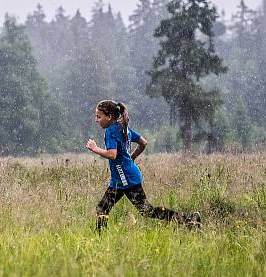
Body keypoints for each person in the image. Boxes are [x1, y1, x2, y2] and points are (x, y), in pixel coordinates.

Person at [85, 100, 202, 233]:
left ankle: (100, 238)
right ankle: (190, 219)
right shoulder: (123, 127)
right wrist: (131, 158)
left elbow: (112, 154)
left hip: (125, 180)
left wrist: (94, 148)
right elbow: (143, 143)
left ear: (109, 117)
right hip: (125, 177)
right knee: (142, 211)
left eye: (98, 116)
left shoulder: (111, 131)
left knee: (106, 208)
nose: (96, 120)